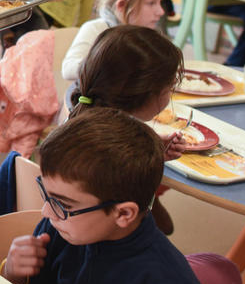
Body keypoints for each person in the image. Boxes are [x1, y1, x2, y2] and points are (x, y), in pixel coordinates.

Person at [2, 108, 221, 284]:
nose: (45, 212)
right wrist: (13, 274)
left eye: (62, 203)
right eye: (47, 196)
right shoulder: (61, 228)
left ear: (124, 214)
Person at [68, 24, 188, 233]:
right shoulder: (122, 161)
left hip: (70, 237)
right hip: (109, 254)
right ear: (147, 93)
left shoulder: (79, 118)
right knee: (220, 265)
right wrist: (148, 158)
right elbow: (162, 227)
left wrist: (151, 149)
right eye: (170, 87)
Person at [61, 0, 166, 82]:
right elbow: (68, 69)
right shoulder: (97, 29)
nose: (161, 11)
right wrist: (108, 62)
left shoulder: (146, 34)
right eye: (152, 3)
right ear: (122, 5)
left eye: (160, 2)